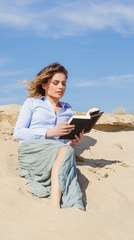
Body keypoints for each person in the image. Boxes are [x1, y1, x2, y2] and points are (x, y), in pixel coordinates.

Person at [14, 62, 85, 210]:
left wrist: (73, 142)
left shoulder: (68, 111)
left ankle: (75, 208)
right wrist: (49, 132)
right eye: (56, 83)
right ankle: (55, 204)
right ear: (45, 85)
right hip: (32, 151)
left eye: (64, 84)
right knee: (64, 151)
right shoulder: (32, 103)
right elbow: (18, 133)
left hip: (58, 153)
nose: (61, 87)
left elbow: (64, 144)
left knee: (67, 151)